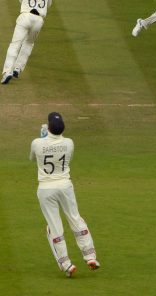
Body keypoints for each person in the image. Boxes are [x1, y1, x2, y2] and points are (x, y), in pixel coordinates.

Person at [30, 112, 100, 278]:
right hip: (65, 185)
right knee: (75, 218)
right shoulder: (69, 143)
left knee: (53, 226)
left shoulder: (37, 143)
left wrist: (42, 138)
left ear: (48, 127)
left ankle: (66, 264)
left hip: (46, 188)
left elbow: (32, 158)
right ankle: (90, 257)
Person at [1, 0, 52, 84]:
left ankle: (7, 72)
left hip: (25, 16)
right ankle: (17, 69)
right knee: (29, 43)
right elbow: (48, 4)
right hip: (39, 20)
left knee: (14, 45)